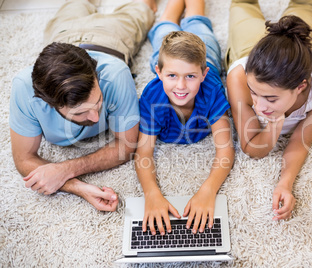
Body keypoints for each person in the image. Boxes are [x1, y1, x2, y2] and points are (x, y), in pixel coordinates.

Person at [9, 0, 156, 212]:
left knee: (143, 9)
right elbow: (23, 159)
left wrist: (65, 168)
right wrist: (79, 187)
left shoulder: (115, 75)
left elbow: (125, 146)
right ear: (49, 103)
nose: (96, 118)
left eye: (98, 102)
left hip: (110, 38)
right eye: (81, 113)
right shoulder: (24, 89)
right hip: (63, 34)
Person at [225, 0, 312, 220]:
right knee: (243, 6)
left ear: (300, 87)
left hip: (291, 55)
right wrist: (275, 122)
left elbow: (301, 140)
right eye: (254, 93)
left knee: (302, 11)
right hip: (250, 51)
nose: (259, 107)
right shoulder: (239, 77)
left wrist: (285, 183)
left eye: (270, 98)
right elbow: (251, 148)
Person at [134, 0, 234, 236]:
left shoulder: (211, 90)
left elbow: (226, 150)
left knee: (197, 21)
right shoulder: (153, 96)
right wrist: (151, 193)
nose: (181, 86)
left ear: (203, 75)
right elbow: (143, 152)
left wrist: (208, 191)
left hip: (204, 50)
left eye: (190, 76)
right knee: (163, 29)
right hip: (169, 55)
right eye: (171, 76)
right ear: (158, 73)